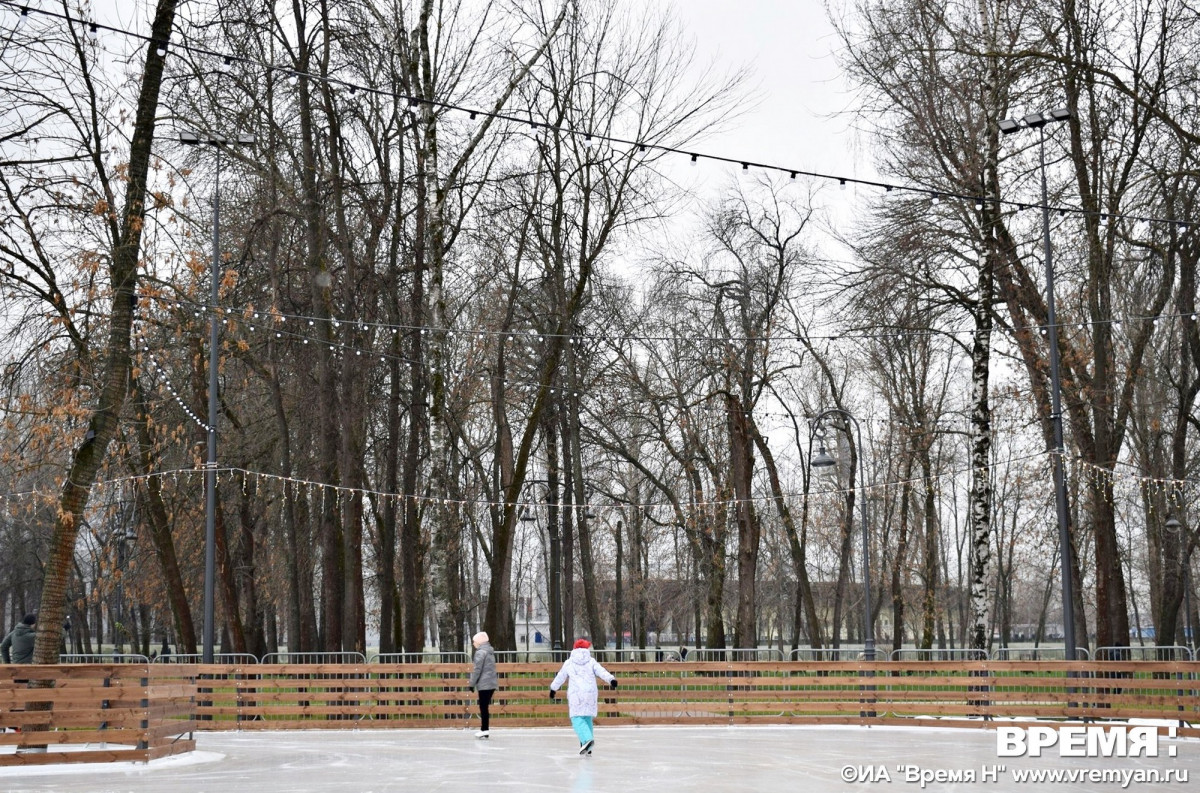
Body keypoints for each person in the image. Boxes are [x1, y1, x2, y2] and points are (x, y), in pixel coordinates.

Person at [549, 638, 617, 755]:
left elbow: (560, 677)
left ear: (574, 649)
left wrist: (553, 688)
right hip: (590, 694)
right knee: (586, 717)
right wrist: (611, 679)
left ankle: (587, 740)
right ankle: (587, 746)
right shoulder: (591, 661)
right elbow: (601, 671)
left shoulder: (569, 663)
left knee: (576, 718)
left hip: (576, 695)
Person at [468, 631, 497, 739]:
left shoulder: (480, 652)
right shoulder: (489, 651)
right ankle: (485, 730)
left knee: (483, 707)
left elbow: (477, 669)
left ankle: (484, 730)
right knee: (484, 706)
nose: (473, 643)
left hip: (484, 684)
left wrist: (472, 684)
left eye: (474, 641)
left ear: (479, 642)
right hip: (491, 682)